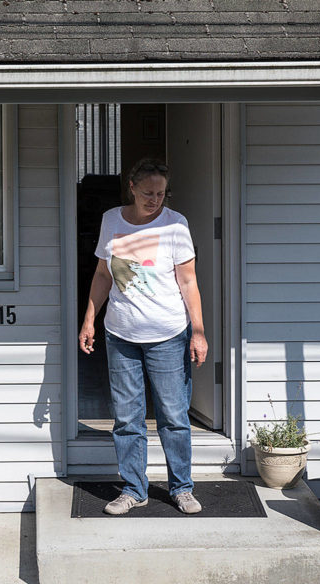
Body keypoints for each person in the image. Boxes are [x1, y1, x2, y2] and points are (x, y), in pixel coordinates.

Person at [79, 159, 209, 515]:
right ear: (132, 188)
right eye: (149, 193)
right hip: (121, 333)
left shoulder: (175, 224)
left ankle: (182, 488)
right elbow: (104, 274)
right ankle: (134, 489)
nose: (155, 200)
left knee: (174, 416)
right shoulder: (112, 220)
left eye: (162, 194)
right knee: (126, 418)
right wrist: (90, 319)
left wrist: (198, 332)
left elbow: (188, 282)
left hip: (168, 334)